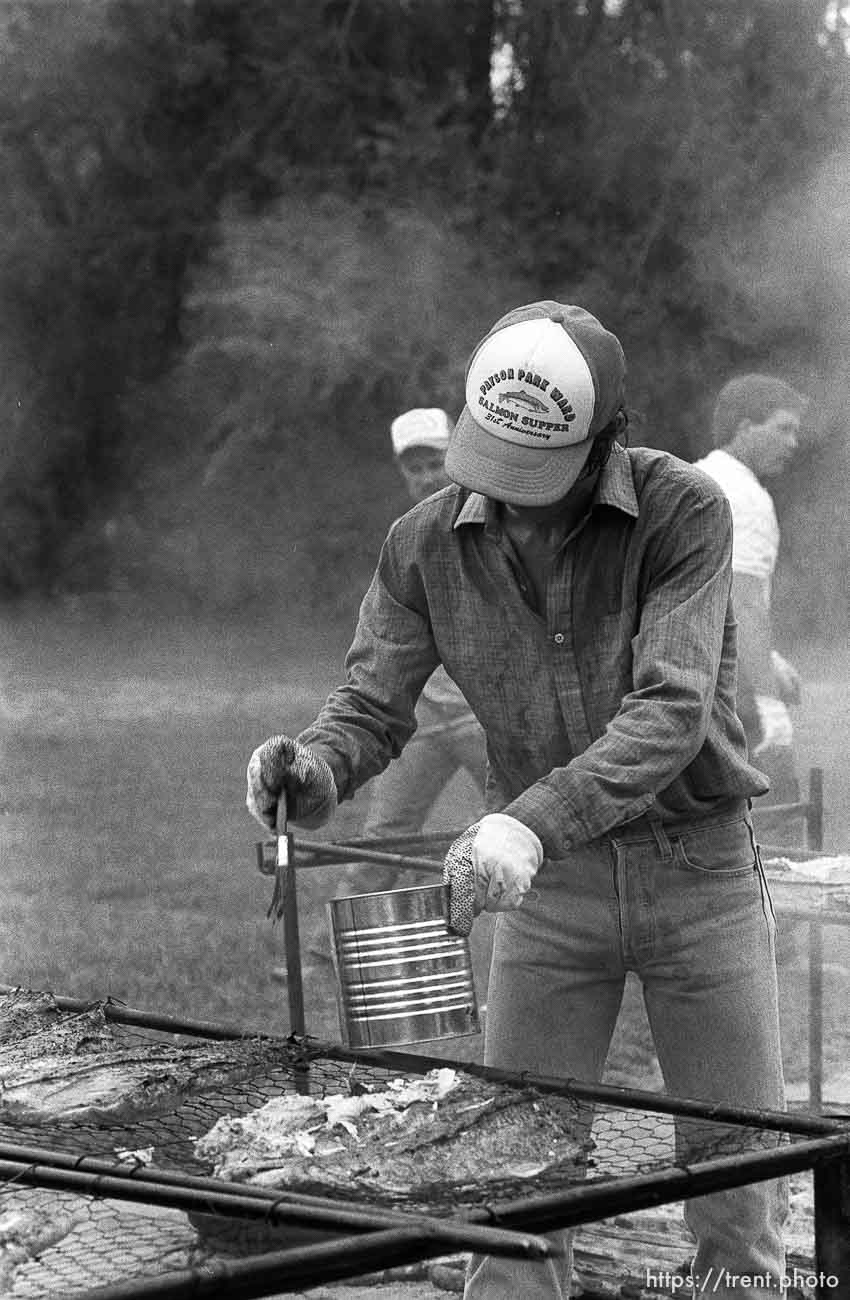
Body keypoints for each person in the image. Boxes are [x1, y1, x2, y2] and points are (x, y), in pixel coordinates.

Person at [246, 301, 787, 1299]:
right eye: (496, 471)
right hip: (547, 897)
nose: (517, 508)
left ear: (606, 440)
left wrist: (523, 823)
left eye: (540, 481)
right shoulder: (421, 544)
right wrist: (314, 766)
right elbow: (371, 703)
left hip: (696, 875)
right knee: (512, 1191)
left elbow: (669, 711)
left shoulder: (683, 513)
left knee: (737, 1184)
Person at [355, 407, 486, 879]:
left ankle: (568, 943)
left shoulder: (495, 517)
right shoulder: (404, 537)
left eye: (435, 463)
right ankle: (329, 957)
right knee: (383, 841)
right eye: (415, 469)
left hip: (486, 715)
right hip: (425, 715)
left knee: (531, 827)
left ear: (457, 452)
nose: (427, 477)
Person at [695, 376, 809, 812]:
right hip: (730, 688)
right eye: (782, 428)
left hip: (687, 677)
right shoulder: (745, 496)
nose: (793, 442)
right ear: (744, 428)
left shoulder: (699, 476)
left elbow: (716, 593)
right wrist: (768, 702)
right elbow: (740, 602)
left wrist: (771, 658)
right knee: (778, 816)